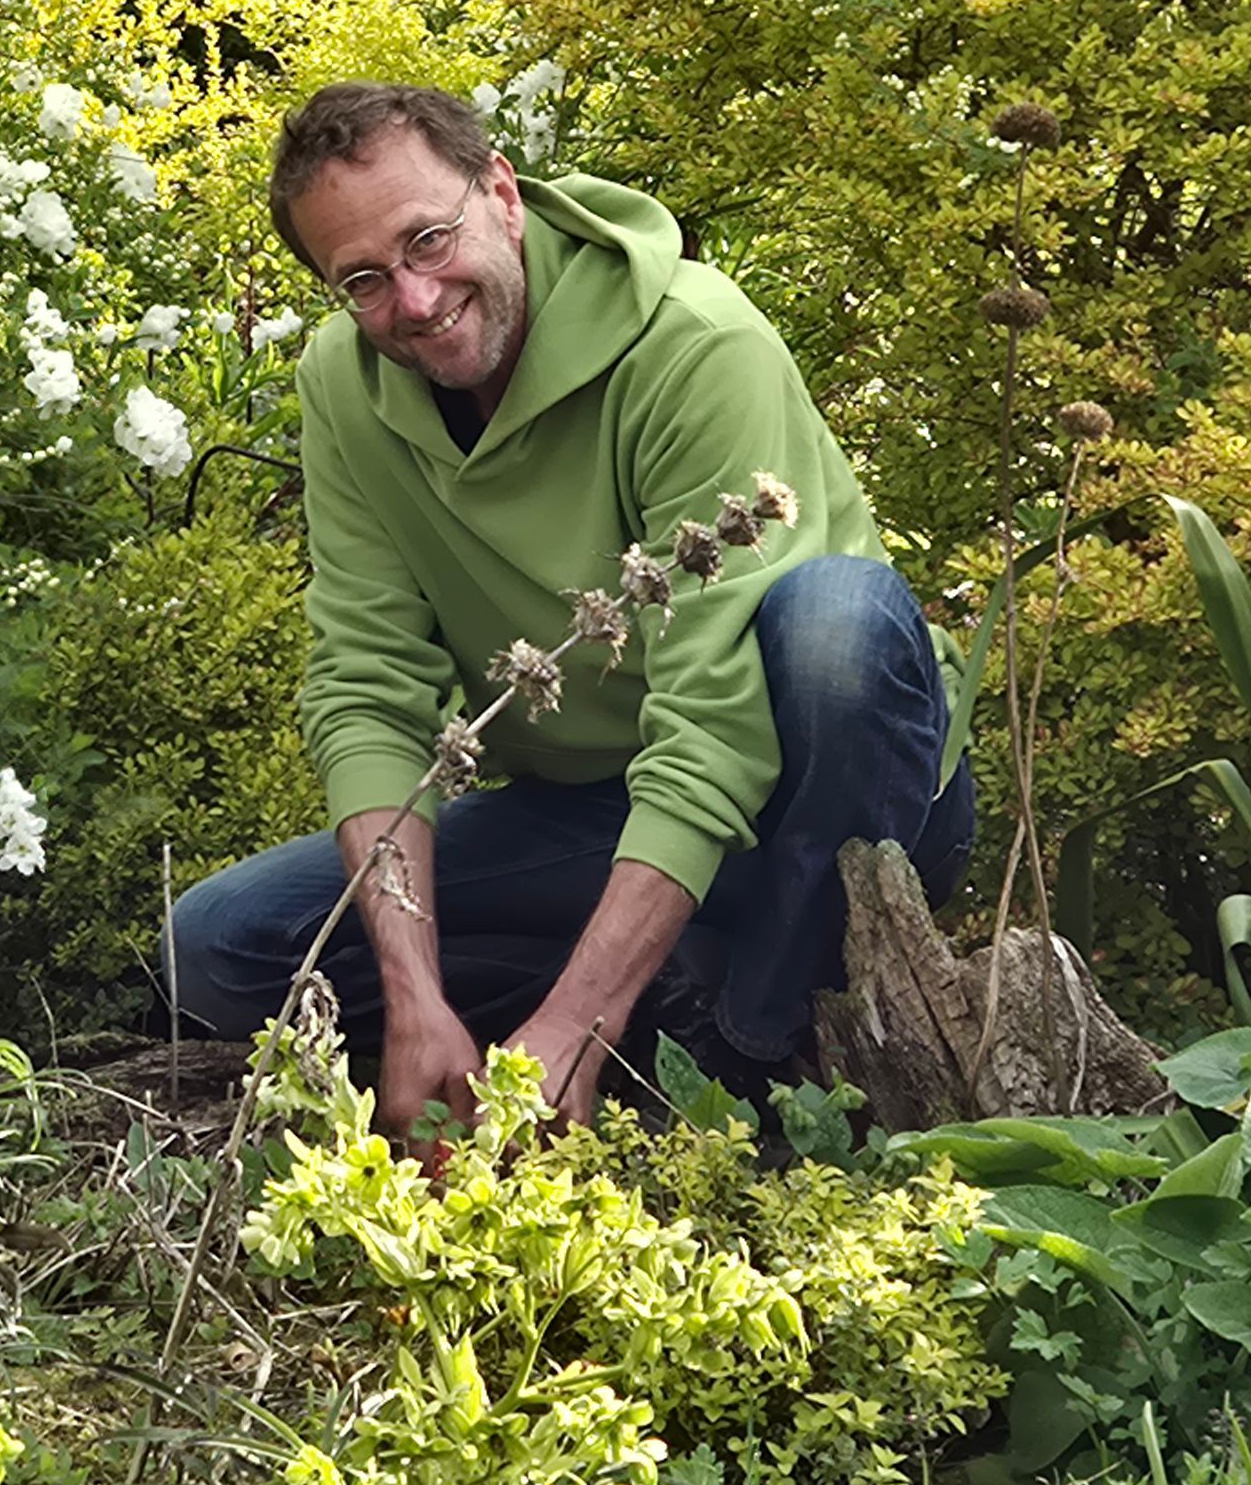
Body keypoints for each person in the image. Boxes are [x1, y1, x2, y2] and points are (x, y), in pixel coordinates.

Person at [163, 82, 973, 1135]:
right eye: (362, 279)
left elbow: (716, 727)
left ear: (502, 193)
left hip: (824, 793)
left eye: (428, 239)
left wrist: (579, 1014)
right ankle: (655, 992)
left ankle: (753, 1041)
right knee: (222, 945)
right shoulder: (345, 386)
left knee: (835, 627)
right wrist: (414, 997)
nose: (414, 299)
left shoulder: (693, 343)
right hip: (596, 808)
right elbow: (368, 690)